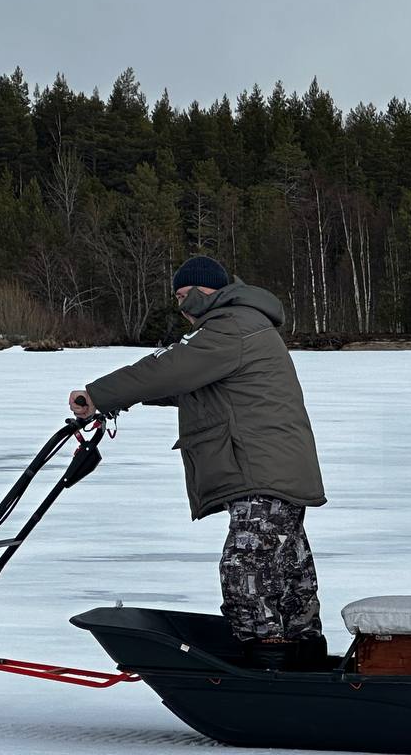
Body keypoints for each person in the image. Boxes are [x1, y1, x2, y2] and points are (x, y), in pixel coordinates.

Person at [68, 255, 327, 669]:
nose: (180, 307)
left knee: (247, 569)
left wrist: (98, 394)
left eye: (180, 296)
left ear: (199, 291)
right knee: (287, 568)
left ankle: (268, 658)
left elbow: (170, 367)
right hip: (275, 469)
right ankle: (301, 651)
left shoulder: (232, 325)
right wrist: (124, 399)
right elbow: (189, 385)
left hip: (261, 471)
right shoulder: (242, 326)